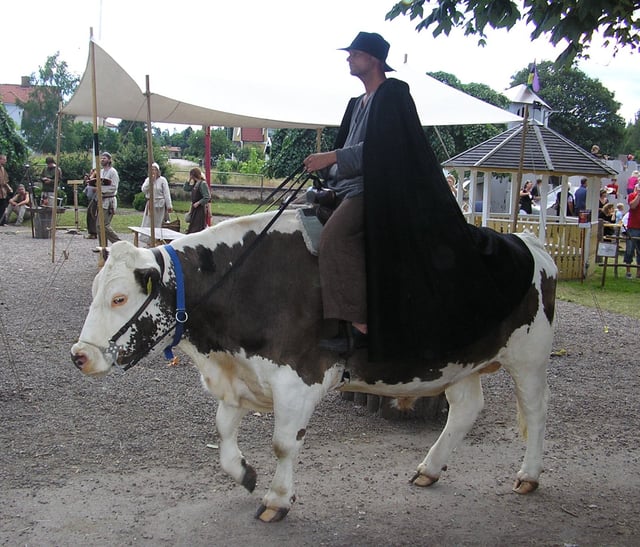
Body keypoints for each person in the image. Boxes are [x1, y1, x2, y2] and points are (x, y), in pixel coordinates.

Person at [302, 31, 534, 361]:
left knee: (335, 239)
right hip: (347, 187)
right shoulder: (357, 104)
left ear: (375, 59)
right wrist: (327, 169)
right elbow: (350, 148)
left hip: (376, 193)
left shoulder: (393, 95)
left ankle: (360, 327)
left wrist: (333, 157)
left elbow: (388, 147)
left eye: (355, 53)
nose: (348, 58)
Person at [95, 152, 120, 244]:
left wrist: (101, 189)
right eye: (101, 158)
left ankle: (119, 243)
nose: (102, 160)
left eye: (104, 158)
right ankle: (103, 246)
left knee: (104, 225)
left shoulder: (113, 172)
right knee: (98, 226)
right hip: (101, 200)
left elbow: (114, 186)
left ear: (109, 160)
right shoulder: (101, 172)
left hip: (109, 201)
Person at [141, 162, 173, 232]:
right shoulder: (148, 180)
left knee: (159, 223)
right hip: (151, 204)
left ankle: (158, 239)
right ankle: (149, 240)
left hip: (160, 205)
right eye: (152, 170)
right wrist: (150, 181)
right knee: (149, 223)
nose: (153, 171)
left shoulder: (163, 180)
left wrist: (169, 206)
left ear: (158, 171)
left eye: (155, 170)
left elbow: (166, 193)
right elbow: (143, 189)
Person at [183, 167, 210, 234]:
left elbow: (207, 197)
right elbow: (186, 188)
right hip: (194, 208)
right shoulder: (195, 184)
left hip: (200, 209)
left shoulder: (202, 184)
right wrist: (188, 180)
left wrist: (198, 203)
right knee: (193, 226)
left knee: (198, 227)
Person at [623, 181, 640, 279]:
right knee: (630, 249)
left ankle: (638, 272)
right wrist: (639, 195)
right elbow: (633, 206)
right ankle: (628, 271)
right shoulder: (632, 195)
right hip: (633, 227)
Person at [83, 168, 98, 238]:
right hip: (90, 198)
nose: (91, 173)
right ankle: (91, 232)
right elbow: (87, 183)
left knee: (92, 214)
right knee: (89, 215)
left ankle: (93, 232)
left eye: (92, 172)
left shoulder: (97, 176)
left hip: (95, 199)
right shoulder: (91, 177)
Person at [0, 153, 11, 226]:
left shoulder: (3, 169)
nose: (5, 161)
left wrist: (8, 187)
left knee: (3, 205)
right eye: (4, 159)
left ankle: (2, 221)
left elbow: (5, 179)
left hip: (2, 190)